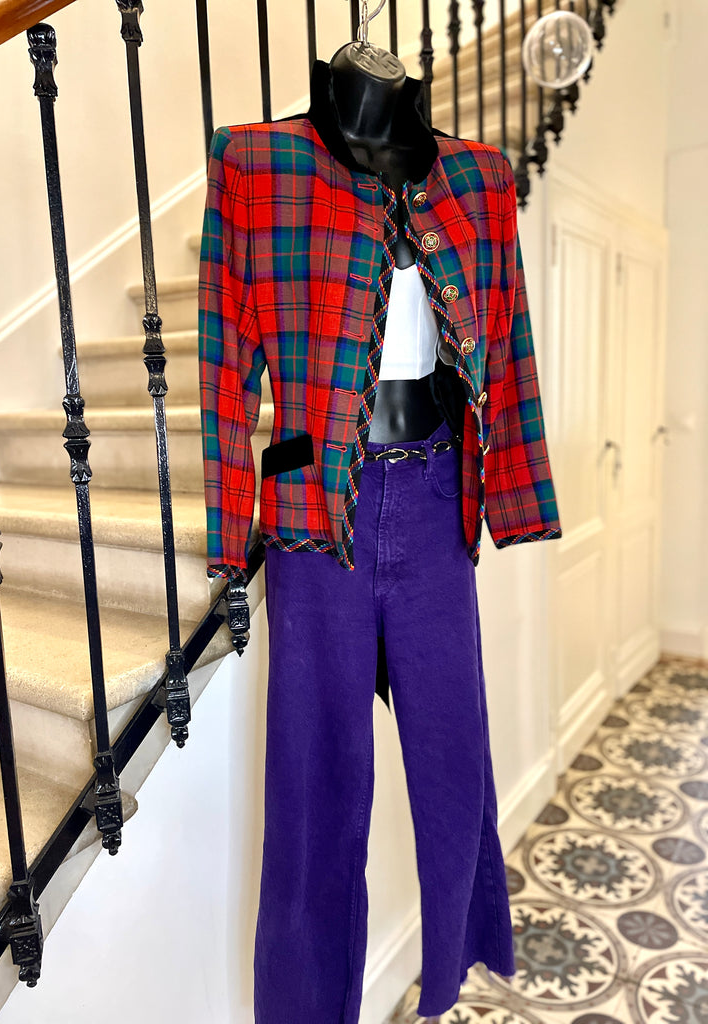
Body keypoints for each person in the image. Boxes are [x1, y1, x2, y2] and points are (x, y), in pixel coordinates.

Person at [197, 36, 561, 1023]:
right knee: (316, 788)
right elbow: (224, 365)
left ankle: (449, 969)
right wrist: (231, 529)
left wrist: (518, 493)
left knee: (453, 754)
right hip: (316, 517)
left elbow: (508, 339)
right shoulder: (256, 163)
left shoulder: (480, 180)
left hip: (439, 502)